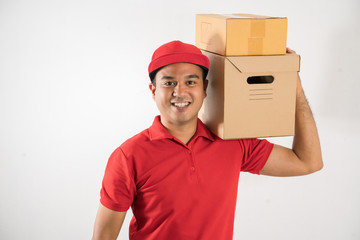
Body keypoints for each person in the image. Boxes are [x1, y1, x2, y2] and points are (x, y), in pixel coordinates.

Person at [92, 40, 323, 240]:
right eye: (169, 83)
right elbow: (103, 236)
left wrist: (295, 89)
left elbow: (307, 161)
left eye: (191, 82)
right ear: (153, 90)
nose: (179, 92)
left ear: (204, 88)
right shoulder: (128, 156)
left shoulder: (233, 143)